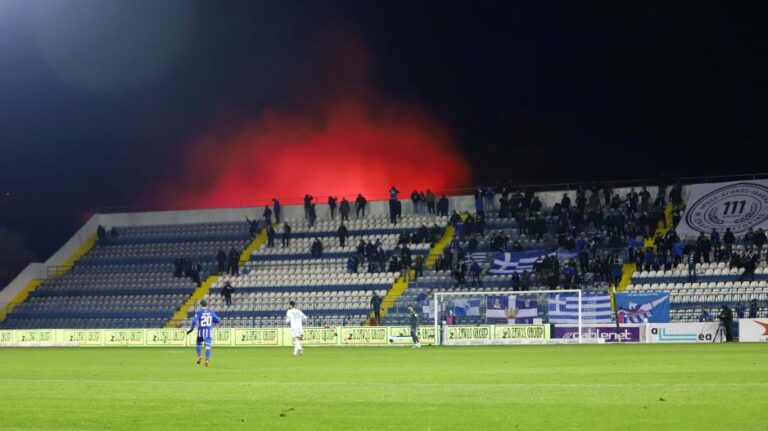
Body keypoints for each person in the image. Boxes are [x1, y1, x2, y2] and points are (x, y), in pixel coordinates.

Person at [186, 299, 220, 367]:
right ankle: (207, 360)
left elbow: (194, 321)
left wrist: (191, 330)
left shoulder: (198, 313)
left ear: (200, 305)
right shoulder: (211, 312)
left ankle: (199, 355)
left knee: (198, 344)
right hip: (208, 332)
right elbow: (218, 320)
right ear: (207, 305)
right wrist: (211, 320)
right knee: (208, 346)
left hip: (200, 331)